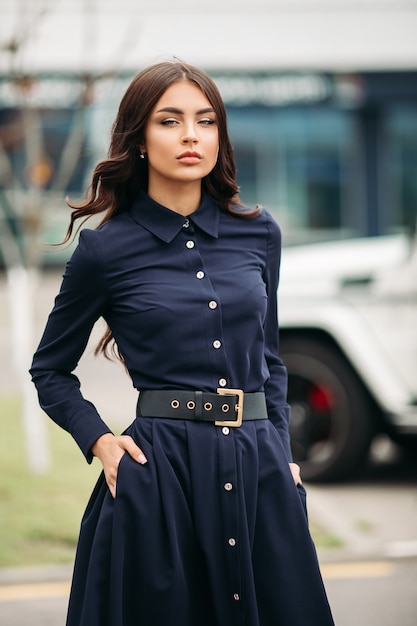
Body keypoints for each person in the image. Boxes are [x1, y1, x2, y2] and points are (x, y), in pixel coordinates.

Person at [30, 60, 334, 626]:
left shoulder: (259, 231)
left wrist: (283, 456)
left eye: (206, 120)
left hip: (259, 472)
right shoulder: (104, 251)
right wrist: (99, 441)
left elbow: (268, 360)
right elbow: (49, 372)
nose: (191, 135)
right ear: (139, 139)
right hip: (158, 479)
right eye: (170, 121)